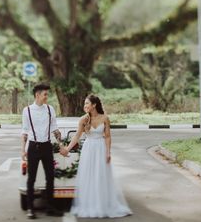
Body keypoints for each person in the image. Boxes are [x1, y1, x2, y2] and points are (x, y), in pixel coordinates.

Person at [61, 94, 131, 218]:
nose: (85, 106)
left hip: (101, 148)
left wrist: (108, 152)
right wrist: (67, 148)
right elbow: (77, 136)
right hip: (88, 149)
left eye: (87, 103)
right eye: (84, 104)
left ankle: (102, 204)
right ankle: (90, 205)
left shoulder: (105, 118)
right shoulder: (83, 119)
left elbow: (108, 136)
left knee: (100, 175)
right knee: (89, 176)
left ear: (94, 105)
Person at [21, 82, 64, 219]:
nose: (47, 96)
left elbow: (54, 128)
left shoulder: (50, 109)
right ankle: (30, 208)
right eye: (45, 94)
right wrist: (23, 150)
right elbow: (25, 131)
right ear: (37, 95)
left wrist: (61, 144)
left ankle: (50, 207)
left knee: (50, 177)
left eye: (47, 94)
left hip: (47, 146)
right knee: (31, 178)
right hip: (33, 147)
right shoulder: (27, 110)